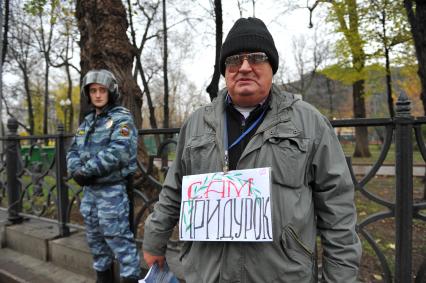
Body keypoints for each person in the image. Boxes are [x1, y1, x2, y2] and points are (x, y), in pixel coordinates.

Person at [143, 17, 361, 282]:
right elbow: (174, 188)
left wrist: (340, 276)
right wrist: (154, 240)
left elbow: (337, 206)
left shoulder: (309, 122)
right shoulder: (198, 122)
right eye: (234, 60)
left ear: (272, 66)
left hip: (280, 274)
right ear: (225, 71)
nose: (244, 67)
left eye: (256, 57)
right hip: (206, 273)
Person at [67, 69, 140, 283]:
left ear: (111, 92)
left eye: (102, 90)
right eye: (93, 91)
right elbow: (72, 151)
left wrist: (85, 171)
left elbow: (119, 151)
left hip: (112, 192)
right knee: (96, 243)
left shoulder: (121, 118)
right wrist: (75, 170)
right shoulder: (87, 123)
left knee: (121, 244)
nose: (97, 95)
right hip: (90, 194)